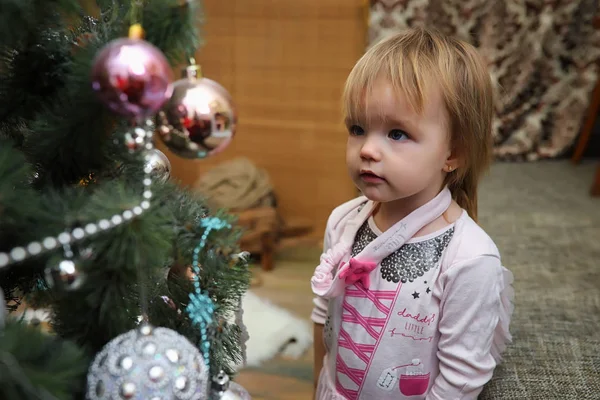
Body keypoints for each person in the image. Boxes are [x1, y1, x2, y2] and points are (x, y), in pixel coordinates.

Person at [310, 27, 514, 400]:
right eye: (358, 128)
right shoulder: (342, 221)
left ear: (454, 153)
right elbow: (323, 318)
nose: (368, 150)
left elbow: (461, 380)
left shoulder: (470, 259)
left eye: (398, 134)